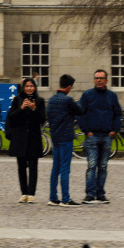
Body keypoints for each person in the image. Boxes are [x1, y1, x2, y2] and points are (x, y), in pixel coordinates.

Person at [78, 69, 123, 205]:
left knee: (103, 166)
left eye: (101, 78)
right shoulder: (87, 95)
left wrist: (115, 129)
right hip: (92, 136)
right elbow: (80, 114)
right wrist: (86, 131)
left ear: (106, 80)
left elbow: (118, 114)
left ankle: (100, 193)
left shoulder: (112, 96)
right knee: (92, 166)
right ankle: (90, 194)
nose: (99, 80)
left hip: (107, 136)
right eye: (96, 78)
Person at [6, 77, 47, 203]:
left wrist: (34, 109)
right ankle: (23, 193)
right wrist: (21, 108)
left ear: (35, 87)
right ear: (23, 88)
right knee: (21, 167)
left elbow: (42, 120)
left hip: (34, 137)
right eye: (27, 86)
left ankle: (31, 193)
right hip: (20, 138)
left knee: (33, 166)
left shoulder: (40, 101)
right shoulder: (16, 100)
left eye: (31, 86)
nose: (29, 88)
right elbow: (11, 117)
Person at [46, 74, 85, 207]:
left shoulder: (51, 99)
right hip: (66, 138)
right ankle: (66, 198)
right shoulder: (68, 100)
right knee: (65, 168)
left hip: (55, 137)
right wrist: (78, 102)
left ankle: (52, 197)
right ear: (68, 87)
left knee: (55, 168)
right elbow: (80, 111)